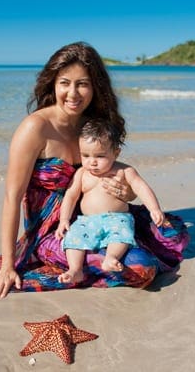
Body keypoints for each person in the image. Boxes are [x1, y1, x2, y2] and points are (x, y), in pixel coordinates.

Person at [0, 42, 188, 298]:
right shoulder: (35, 128)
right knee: (142, 269)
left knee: (171, 233)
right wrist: (7, 265)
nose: (73, 93)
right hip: (55, 233)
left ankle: (103, 256)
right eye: (65, 83)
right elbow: (11, 199)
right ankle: (79, 263)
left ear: (96, 87)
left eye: (83, 84)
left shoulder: (92, 125)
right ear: (52, 84)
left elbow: (113, 176)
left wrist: (125, 193)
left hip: (100, 218)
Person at [55, 118, 165, 284]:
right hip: (88, 220)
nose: (92, 162)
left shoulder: (124, 170)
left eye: (100, 156)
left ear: (116, 152)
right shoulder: (82, 174)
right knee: (73, 237)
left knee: (122, 234)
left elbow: (141, 187)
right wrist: (64, 219)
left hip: (117, 218)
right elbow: (71, 195)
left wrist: (154, 209)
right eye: (85, 155)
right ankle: (75, 269)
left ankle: (111, 258)